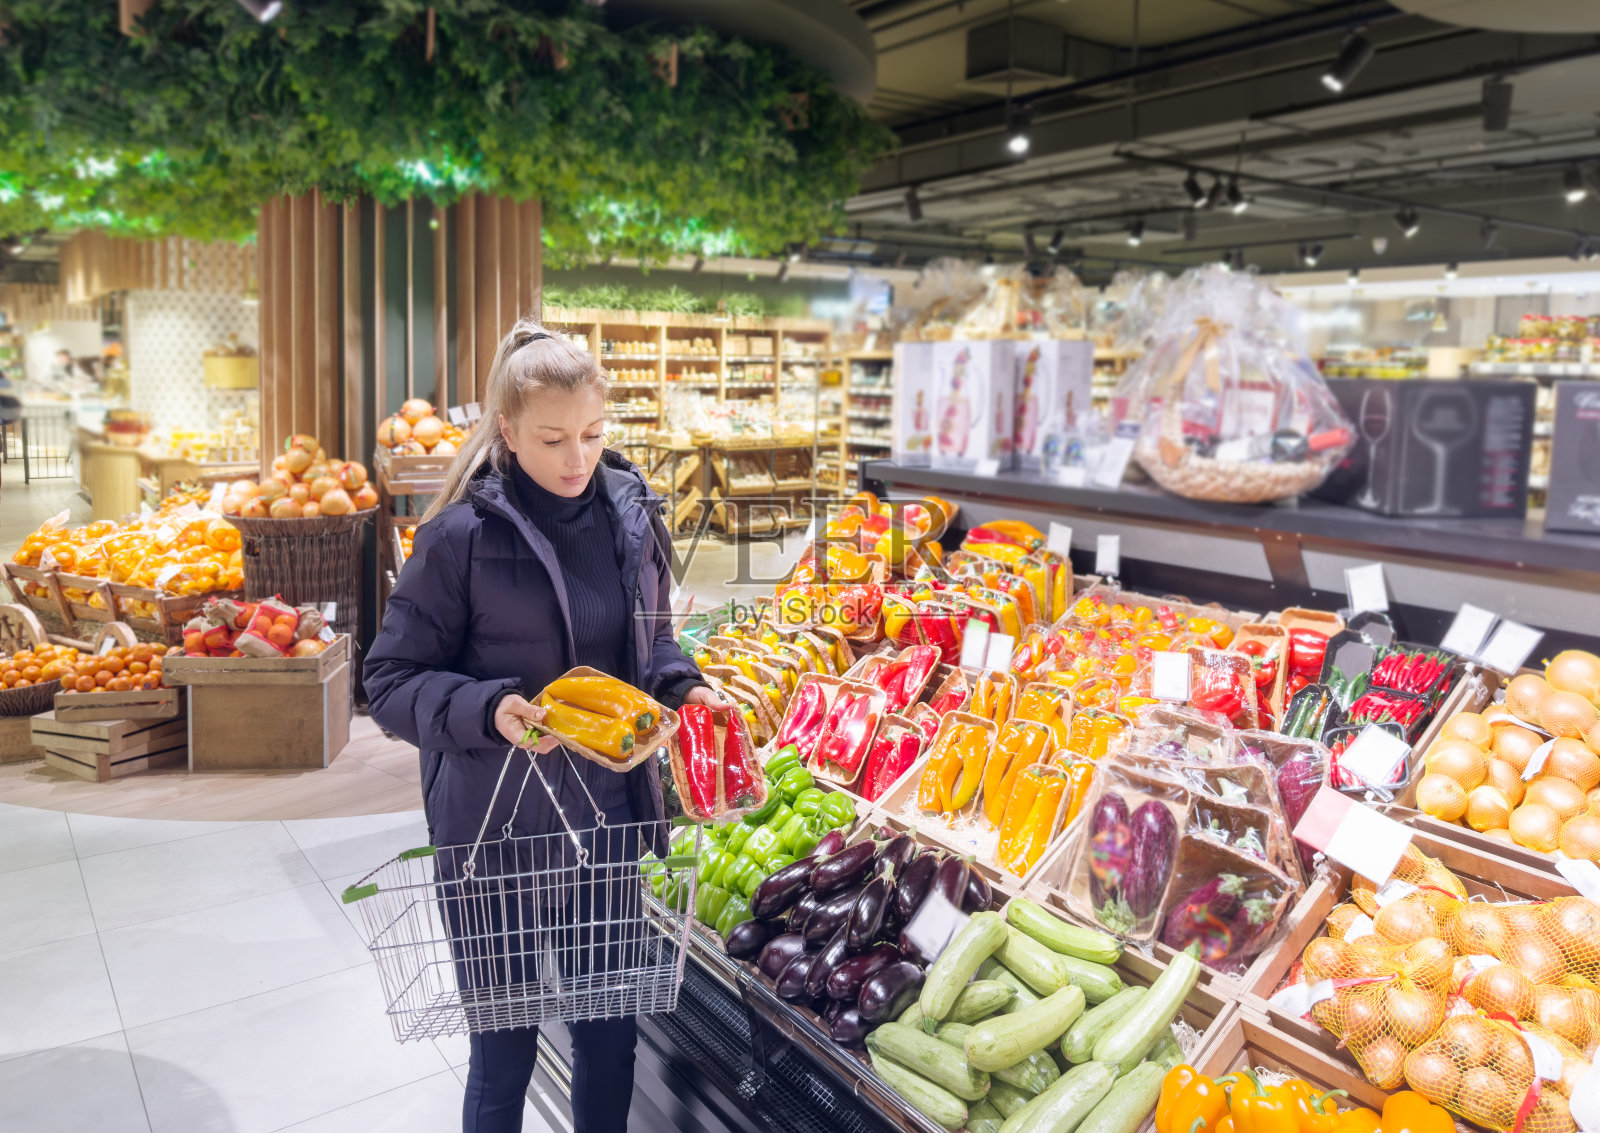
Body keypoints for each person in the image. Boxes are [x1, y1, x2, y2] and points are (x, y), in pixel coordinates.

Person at [364, 318, 724, 1133]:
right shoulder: (459, 538)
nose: (577, 458)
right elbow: (388, 679)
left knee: (610, 1040)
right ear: (507, 429)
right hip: (497, 837)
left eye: (593, 434)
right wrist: (489, 709)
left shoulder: (631, 519)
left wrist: (685, 686)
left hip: (606, 823)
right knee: (505, 1055)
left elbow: (653, 643)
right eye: (553, 439)